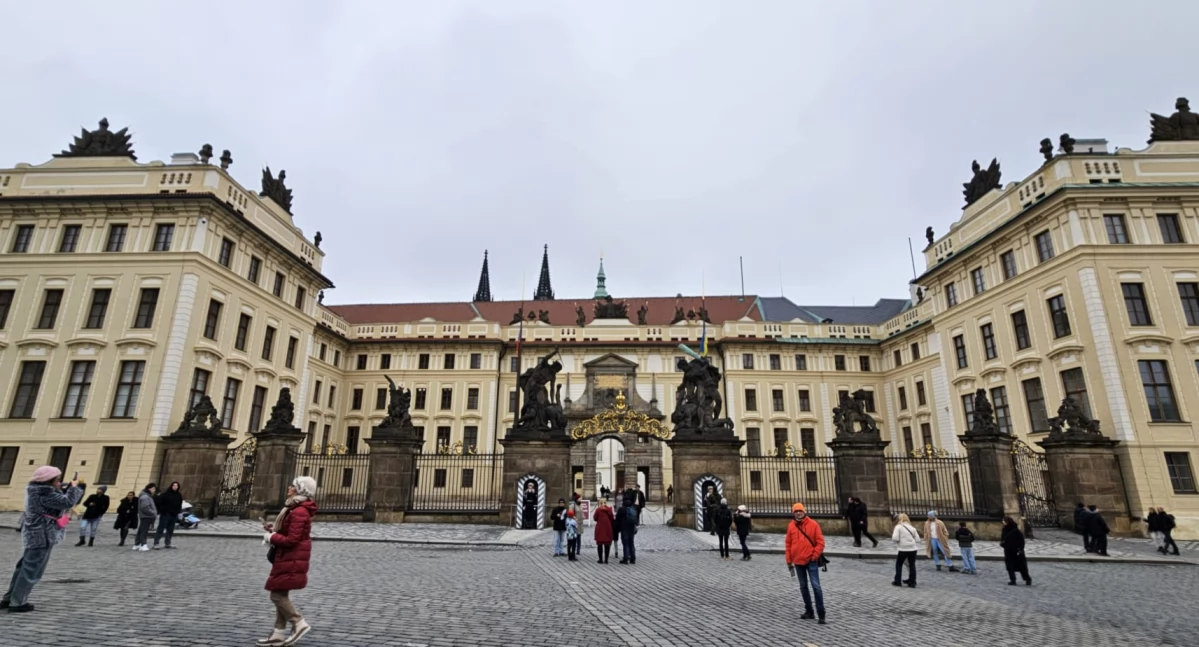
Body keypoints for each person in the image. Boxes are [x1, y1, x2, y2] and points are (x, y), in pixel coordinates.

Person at [3, 466, 84, 612]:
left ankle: (10, 598)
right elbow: (67, 503)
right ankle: (18, 602)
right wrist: (74, 488)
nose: (59, 483)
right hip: (42, 534)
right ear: (49, 481)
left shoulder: (36, 489)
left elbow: (58, 501)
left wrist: (66, 489)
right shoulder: (44, 492)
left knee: (23, 567)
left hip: (35, 532)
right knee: (32, 569)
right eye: (57, 480)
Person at [259, 476, 318, 646]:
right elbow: (290, 532)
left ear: (300, 490)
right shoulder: (294, 508)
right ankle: (278, 634)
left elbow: (292, 540)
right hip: (287, 558)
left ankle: (298, 622)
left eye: (293, 486)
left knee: (276, 595)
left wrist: (271, 537)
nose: (289, 488)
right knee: (280, 592)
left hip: (291, 558)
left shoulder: (299, 511)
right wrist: (274, 529)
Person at [785, 503, 826, 624]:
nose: (798, 512)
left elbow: (820, 542)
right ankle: (809, 611)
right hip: (798, 561)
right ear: (793, 513)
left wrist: (814, 556)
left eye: (800, 510)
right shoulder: (791, 526)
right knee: (803, 587)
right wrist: (788, 560)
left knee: (816, 587)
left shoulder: (813, 524)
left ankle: (821, 613)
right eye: (796, 511)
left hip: (811, 561)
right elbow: (788, 544)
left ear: (804, 511)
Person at [1000, 516, 1032, 586]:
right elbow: (1002, 540)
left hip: (1017, 552)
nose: (1002, 522)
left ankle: (1027, 579)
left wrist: (1020, 549)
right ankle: (1013, 580)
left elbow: (1021, 541)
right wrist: (1003, 544)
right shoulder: (1004, 530)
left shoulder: (1016, 531)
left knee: (1022, 567)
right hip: (1008, 551)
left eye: (1004, 521)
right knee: (1010, 567)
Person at [891, 513, 920, 588]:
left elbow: (895, 538)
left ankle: (897, 581)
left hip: (903, 548)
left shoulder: (898, 527)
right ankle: (912, 582)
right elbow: (918, 539)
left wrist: (900, 542)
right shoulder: (912, 527)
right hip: (913, 549)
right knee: (912, 565)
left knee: (899, 564)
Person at [153, 481, 183, 550]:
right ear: (171, 486)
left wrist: (178, 511)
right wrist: (162, 511)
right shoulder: (165, 494)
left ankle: (168, 543)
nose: (175, 487)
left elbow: (180, 504)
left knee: (170, 529)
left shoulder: (179, 495)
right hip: (166, 514)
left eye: (176, 486)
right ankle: (156, 543)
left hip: (174, 515)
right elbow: (159, 502)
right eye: (174, 485)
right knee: (161, 528)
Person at [133, 483, 158, 551]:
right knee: (144, 531)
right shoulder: (145, 497)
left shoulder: (146, 496)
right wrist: (153, 513)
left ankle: (137, 544)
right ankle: (143, 544)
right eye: (153, 489)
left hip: (145, 516)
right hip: (147, 516)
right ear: (149, 489)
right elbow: (145, 508)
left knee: (141, 530)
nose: (154, 491)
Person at [617, 494, 638, 565]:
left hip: (624, 528)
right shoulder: (633, 508)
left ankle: (625, 559)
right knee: (631, 543)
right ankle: (633, 559)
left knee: (625, 544)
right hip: (631, 528)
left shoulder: (621, 509)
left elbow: (617, 519)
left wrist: (618, 527)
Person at [593, 497, 615, 564]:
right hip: (607, 528)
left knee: (600, 544)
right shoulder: (609, 510)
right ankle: (606, 560)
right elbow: (612, 518)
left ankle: (600, 559)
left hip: (600, 528)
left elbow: (595, 518)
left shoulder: (598, 510)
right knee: (607, 544)